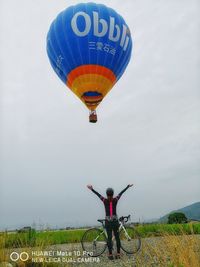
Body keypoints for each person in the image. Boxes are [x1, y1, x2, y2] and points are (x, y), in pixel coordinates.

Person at [87, 184, 133, 260]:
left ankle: (110, 254)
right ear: (113, 194)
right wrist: (127, 186)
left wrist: (92, 189)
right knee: (117, 238)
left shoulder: (105, 200)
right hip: (115, 222)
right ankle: (118, 254)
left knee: (109, 238)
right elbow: (121, 193)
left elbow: (98, 195)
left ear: (106, 194)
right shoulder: (115, 200)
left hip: (108, 222)